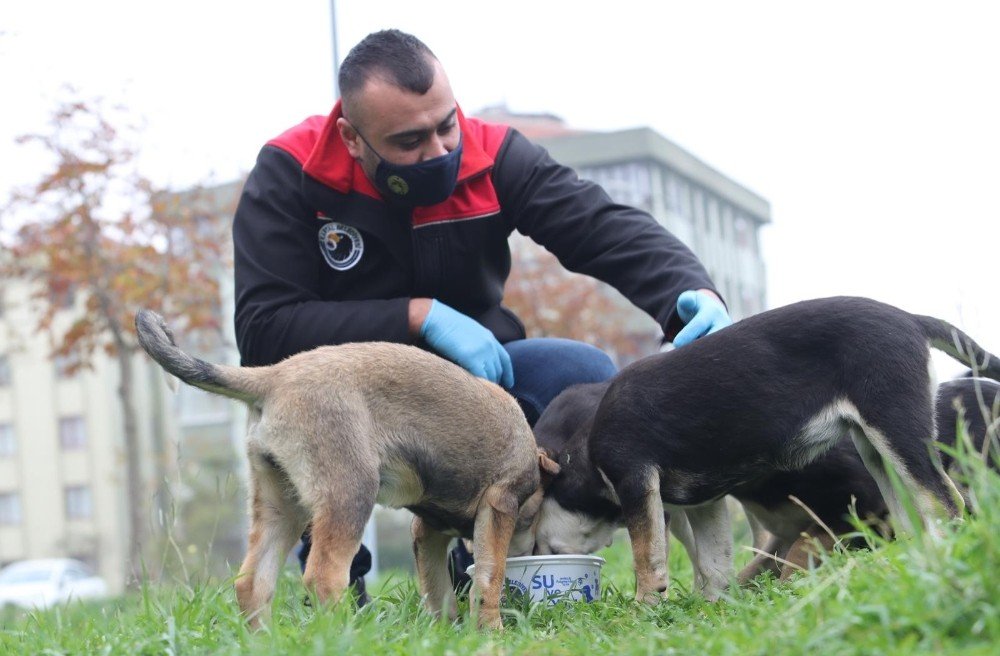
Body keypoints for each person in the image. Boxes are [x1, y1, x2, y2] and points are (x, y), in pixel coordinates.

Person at [232, 29, 731, 605]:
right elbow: (264, 330)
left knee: (582, 375)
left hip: (477, 378)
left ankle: (501, 564)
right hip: (349, 396)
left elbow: (600, 225)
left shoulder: (494, 155)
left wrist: (687, 289)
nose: (439, 150)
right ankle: (337, 589)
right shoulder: (291, 171)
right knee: (318, 418)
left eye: (446, 125)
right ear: (351, 136)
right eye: (409, 141)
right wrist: (416, 317)